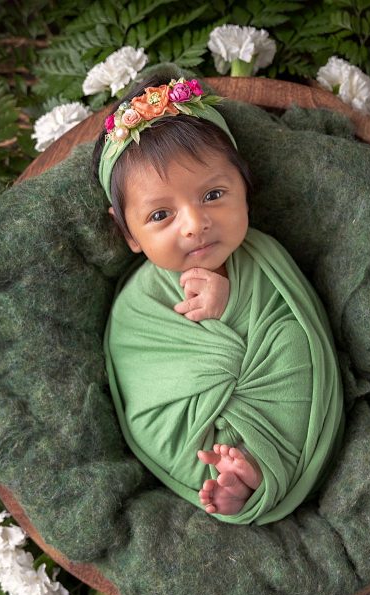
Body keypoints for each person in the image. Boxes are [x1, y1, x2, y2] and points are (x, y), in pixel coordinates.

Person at [97, 75, 343, 525]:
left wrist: (235, 307)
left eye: (213, 195)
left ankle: (263, 464)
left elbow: (306, 326)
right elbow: (144, 378)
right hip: (190, 424)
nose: (195, 224)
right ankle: (232, 475)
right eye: (160, 215)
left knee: (290, 340)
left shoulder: (263, 257)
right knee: (157, 421)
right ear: (129, 233)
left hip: (275, 399)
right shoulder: (139, 303)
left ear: (245, 186)